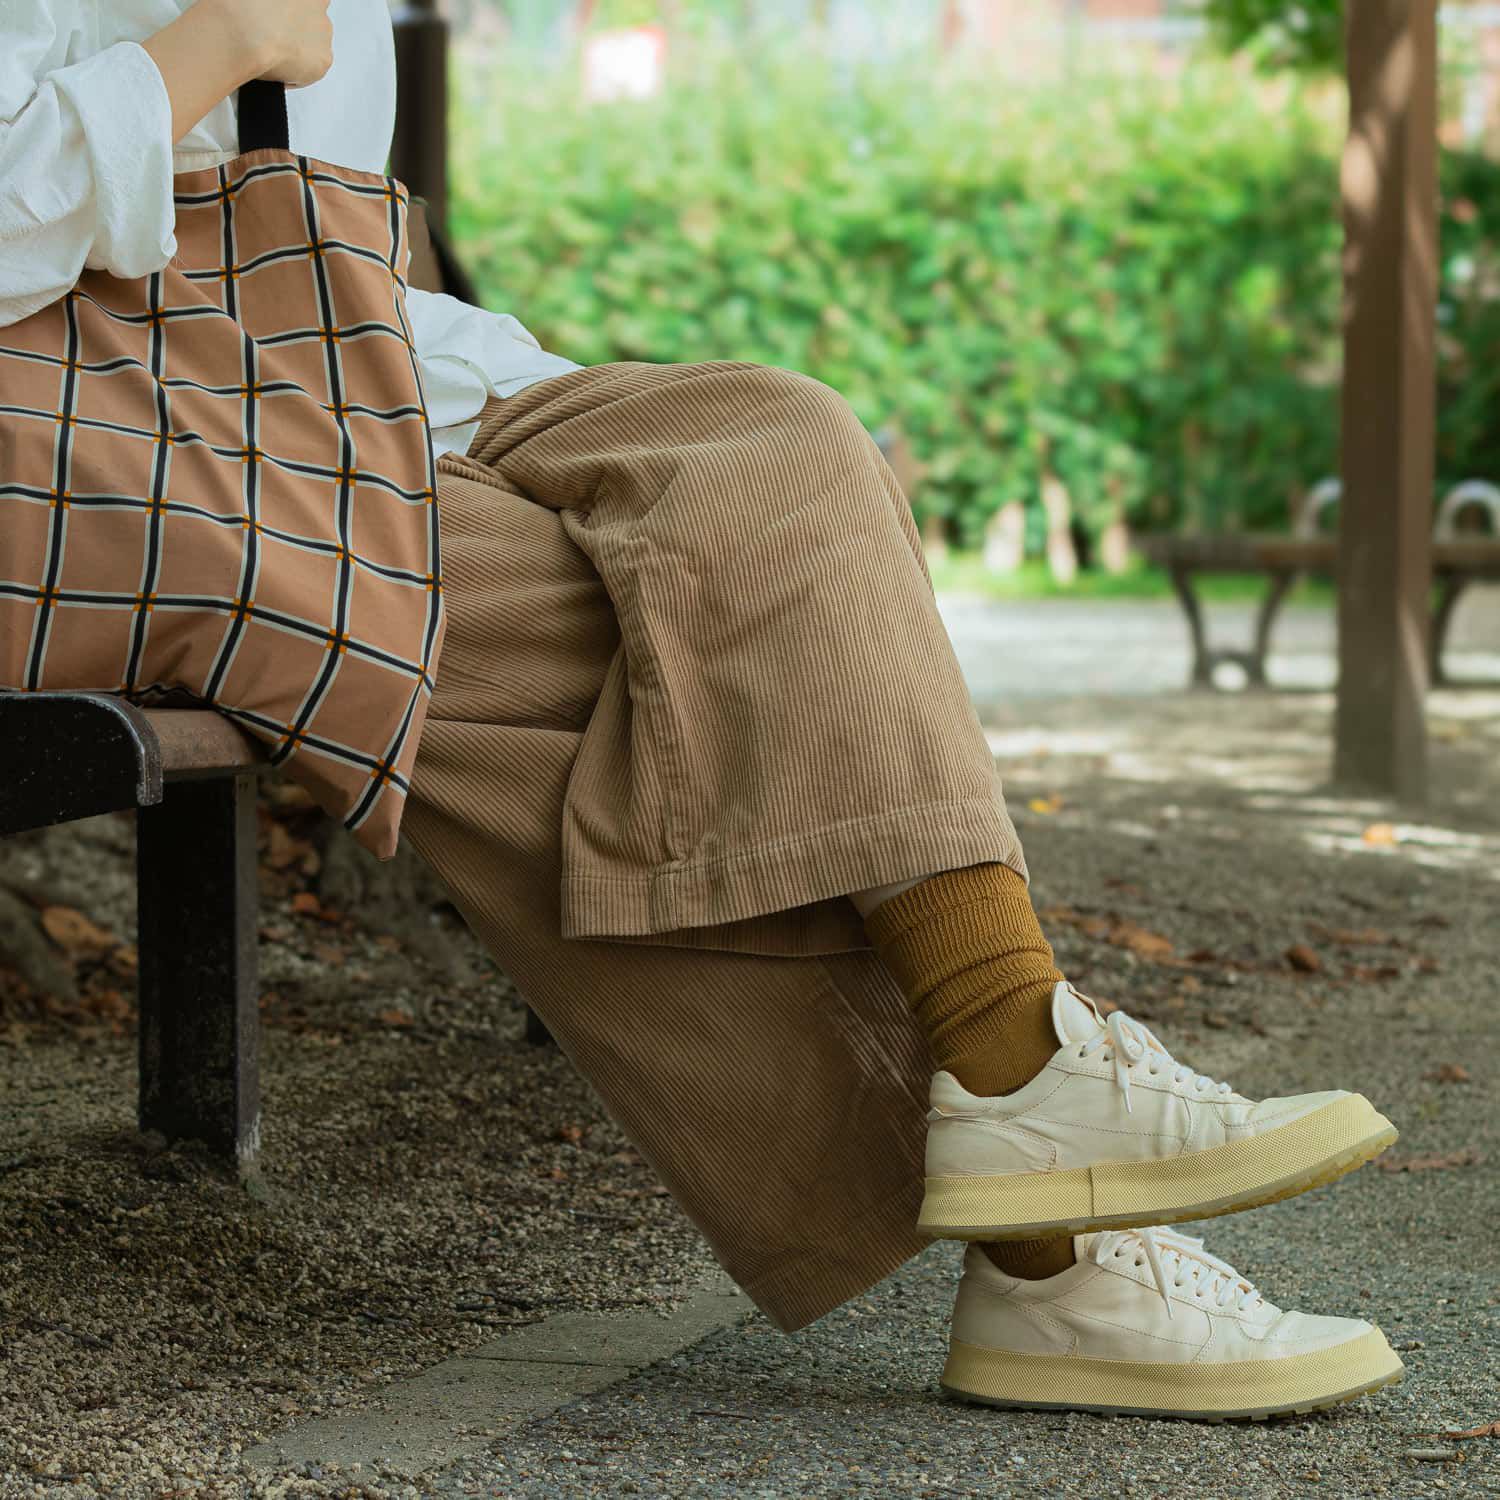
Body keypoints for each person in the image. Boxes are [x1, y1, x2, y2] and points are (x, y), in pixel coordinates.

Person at [0, 0, 1404, 1421]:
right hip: (107, 464)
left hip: (338, 402)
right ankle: (1047, 1215)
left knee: (776, 458)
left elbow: (318, 282)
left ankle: (1025, 1088)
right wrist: (211, 47)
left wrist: (590, 437)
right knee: (587, 641)